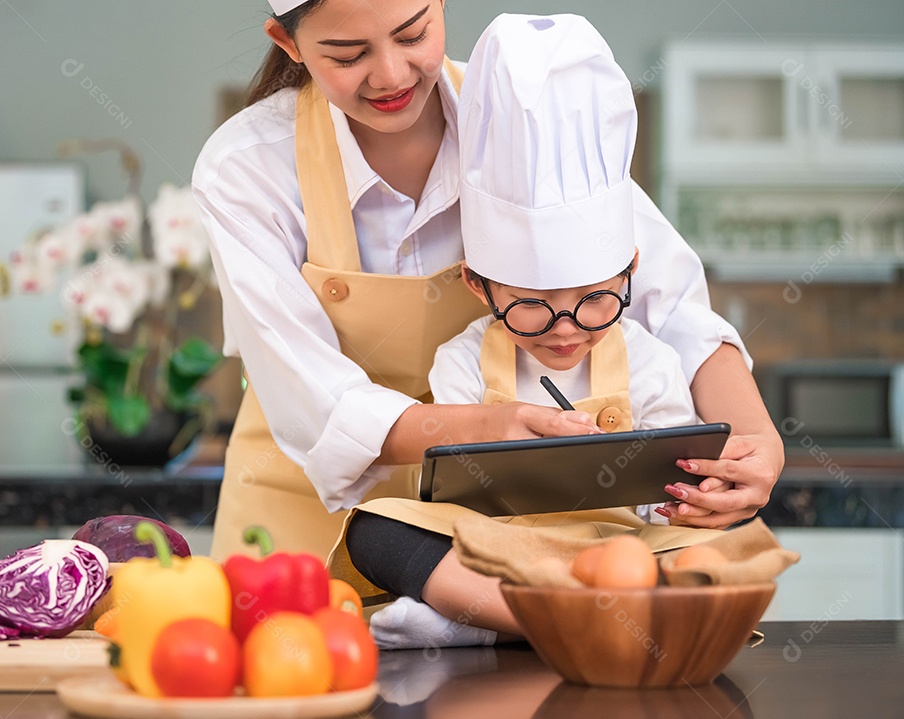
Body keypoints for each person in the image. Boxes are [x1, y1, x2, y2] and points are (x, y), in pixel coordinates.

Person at [191, 0, 783, 562]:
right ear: (287, 41)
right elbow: (305, 389)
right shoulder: (247, 167)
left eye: (412, 33)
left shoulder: (524, 110)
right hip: (298, 520)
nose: (391, 73)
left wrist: (753, 435)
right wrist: (481, 431)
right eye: (348, 55)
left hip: (501, 527)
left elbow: (668, 303)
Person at [332, 13, 728, 649]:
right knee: (375, 528)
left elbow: (671, 478)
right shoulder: (458, 364)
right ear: (477, 286)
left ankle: (475, 622)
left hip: (619, 549)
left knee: (728, 538)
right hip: (499, 552)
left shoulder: (652, 362)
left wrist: (680, 501)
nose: (566, 330)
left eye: (596, 300)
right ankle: (515, 615)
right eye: (533, 307)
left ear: (629, 272)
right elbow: (453, 495)